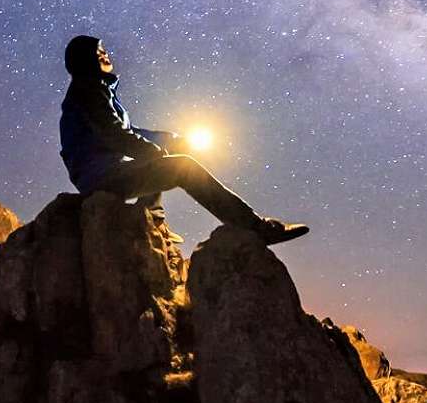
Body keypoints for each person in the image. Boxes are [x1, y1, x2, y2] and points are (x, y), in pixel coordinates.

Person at [59, 34, 309, 245]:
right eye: (98, 51)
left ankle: (152, 219)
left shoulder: (93, 90)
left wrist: (171, 140)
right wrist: (157, 151)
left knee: (157, 155)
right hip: (102, 177)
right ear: (85, 59)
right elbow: (114, 134)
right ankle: (255, 227)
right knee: (182, 167)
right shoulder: (89, 89)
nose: (105, 55)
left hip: (103, 173)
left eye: (104, 50)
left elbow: (127, 130)